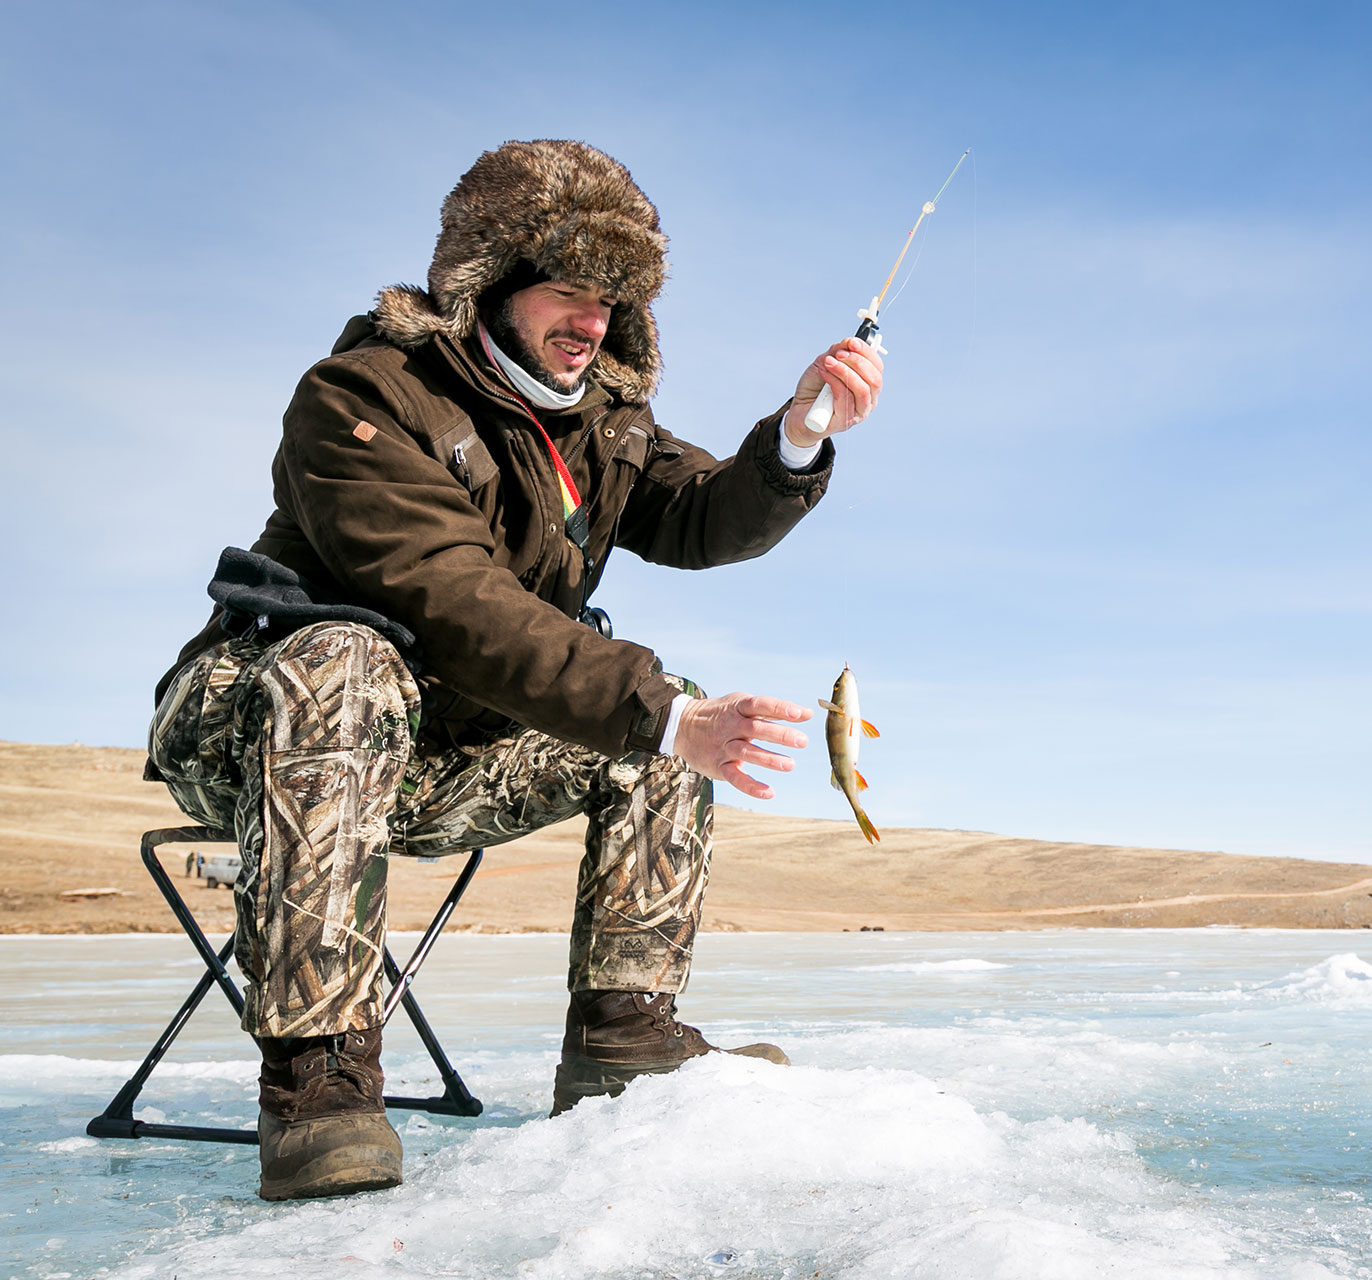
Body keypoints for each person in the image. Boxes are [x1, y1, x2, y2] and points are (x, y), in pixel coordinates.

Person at [143, 140, 884, 1201]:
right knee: (350, 659)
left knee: (660, 720)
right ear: (489, 282)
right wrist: (656, 710)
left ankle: (624, 1044)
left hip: (442, 749)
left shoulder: (604, 423)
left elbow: (702, 516)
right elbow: (449, 597)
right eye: (570, 290)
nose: (593, 322)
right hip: (260, 726)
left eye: (612, 300)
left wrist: (799, 436)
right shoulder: (361, 397)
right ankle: (319, 1083)